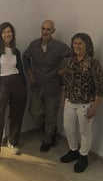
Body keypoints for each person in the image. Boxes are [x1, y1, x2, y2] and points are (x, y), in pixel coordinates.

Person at [23, 20, 72, 152]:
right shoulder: (34, 45)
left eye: (48, 29)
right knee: (34, 112)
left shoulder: (59, 47)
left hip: (52, 85)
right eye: (43, 28)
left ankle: (48, 140)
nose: (45, 32)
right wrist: (30, 74)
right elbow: (25, 57)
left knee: (51, 114)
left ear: (53, 31)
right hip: (37, 85)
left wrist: (63, 70)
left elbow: (73, 56)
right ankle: (51, 130)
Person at [59, 33, 103, 173]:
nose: (77, 46)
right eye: (75, 43)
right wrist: (63, 97)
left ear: (87, 46)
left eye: (80, 43)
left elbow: (100, 86)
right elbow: (67, 81)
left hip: (86, 103)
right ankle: (73, 150)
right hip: (70, 101)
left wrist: (95, 106)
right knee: (68, 127)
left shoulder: (93, 63)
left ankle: (83, 156)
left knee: (85, 131)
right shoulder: (71, 60)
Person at [0, 22, 27, 167]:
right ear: (0, 34)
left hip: (17, 83)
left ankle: (13, 141)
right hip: (2, 83)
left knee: (16, 113)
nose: (7, 34)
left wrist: (23, 83)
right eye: (4, 32)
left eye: (9, 32)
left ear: (12, 34)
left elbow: (20, 68)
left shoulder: (16, 51)